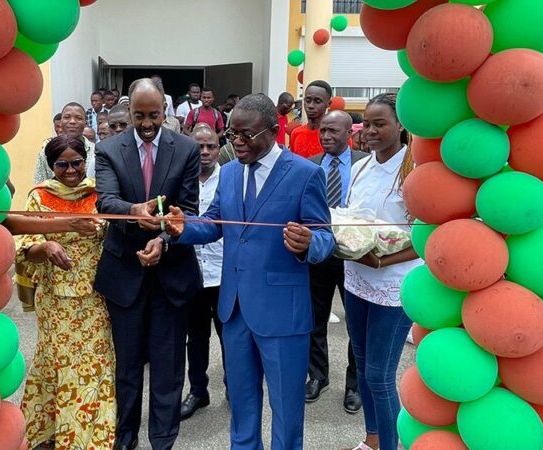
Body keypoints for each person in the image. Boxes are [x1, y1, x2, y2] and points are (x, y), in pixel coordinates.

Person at [166, 93, 335, 450]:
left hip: (282, 314)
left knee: (287, 410)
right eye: (232, 135)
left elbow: (325, 237)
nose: (238, 142)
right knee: (242, 406)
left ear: (273, 131)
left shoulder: (306, 174)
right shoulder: (228, 173)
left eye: (247, 135)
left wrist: (308, 244)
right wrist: (182, 228)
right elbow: (214, 223)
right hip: (235, 309)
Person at [94, 78, 202, 450]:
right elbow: (105, 201)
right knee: (126, 368)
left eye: (153, 115)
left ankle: (162, 441)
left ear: (165, 112)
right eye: (138, 115)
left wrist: (163, 238)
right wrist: (131, 211)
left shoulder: (186, 149)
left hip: (171, 275)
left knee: (169, 368)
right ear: (128, 113)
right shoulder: (108, 149)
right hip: (125, 274)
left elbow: (189, 210)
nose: (146, 124)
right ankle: (125, 440)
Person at [17, 135, 116, 450]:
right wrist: (45, 245)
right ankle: (51, 431)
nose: (71, 170)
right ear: (51, 166)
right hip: (55, 301)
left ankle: (93, 439)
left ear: (85, 161)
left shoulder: (100, 194)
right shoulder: (39, 198)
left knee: (95, 363)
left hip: (95, 297)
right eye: (62, 164)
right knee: (57, 363)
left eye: (76, 162)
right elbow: (22, 249)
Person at [342, 93, 419, 450]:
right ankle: (372, 439)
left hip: (392, 285)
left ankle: (389, 444)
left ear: (401, 124)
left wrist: (382, 261)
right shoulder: (360, 167)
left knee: (379, 375)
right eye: (366, 124)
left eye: (379, 123)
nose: (369, 131)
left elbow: (427, 237)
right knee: (361, 363)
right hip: (356, 280)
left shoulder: (415, 171)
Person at [305, 111, 366, 412]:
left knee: (356, 324)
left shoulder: (364, 165)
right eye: (323, 131)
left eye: (333, 131)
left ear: (348, 134)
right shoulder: (310, 166)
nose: (326, 136)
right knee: (315, 320)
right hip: (319, 255)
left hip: (356, 257)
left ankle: (354, 385)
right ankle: (317, 376)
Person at [180, 125, 225, 421]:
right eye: (199, 147)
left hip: (225, 274)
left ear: (219, 148)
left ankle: (235, 386)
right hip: (192, 273)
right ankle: (198, 391)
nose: (205, 152)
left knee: (231, 337)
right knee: (195, 338)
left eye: (210, 146)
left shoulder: (233, 178)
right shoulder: (179, 180)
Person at [34, 103, 95, 184]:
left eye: (78, 118)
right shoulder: (46, 152)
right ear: (61, 122)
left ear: (85, 123)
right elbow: (39, 183)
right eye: (67, 117)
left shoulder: (96, 151)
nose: (72, 121)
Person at [290, 81, 332, 159]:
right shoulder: (296, 133)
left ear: (328, 104)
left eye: (317, 101)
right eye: (308, 100)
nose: (311, 106)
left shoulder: (337, 136)